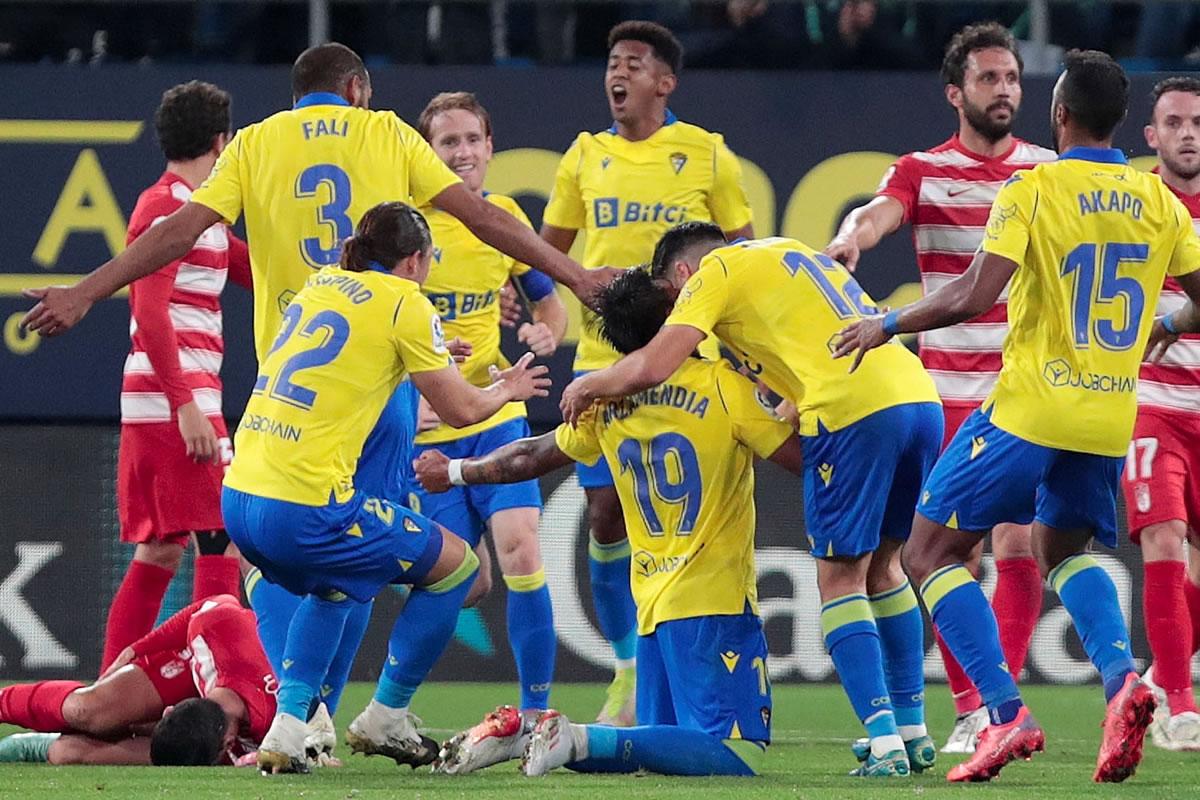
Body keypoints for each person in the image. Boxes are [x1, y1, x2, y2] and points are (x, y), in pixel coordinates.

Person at [834, 50, 1200, 783]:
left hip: (1030, 408)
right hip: (1108, 415)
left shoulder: (1031, 188)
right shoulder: (1158, 200)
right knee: (1061, 551)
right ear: (1123, 122)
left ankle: (1003, 715)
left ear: (1059, 114)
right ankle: (1124, 683)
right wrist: (1169, 323)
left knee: (927, 553)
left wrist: (888, 322)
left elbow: (975, 293)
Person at [560, 224, 942, 776]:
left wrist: (589, 384)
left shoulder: (712, 274)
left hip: (852, 410)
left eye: (671, 294)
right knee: (886, 568)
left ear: (683, 274)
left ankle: (884, 743)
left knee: (841, 579)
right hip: (917, 396)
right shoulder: (789, 252)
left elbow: (654, 365)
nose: (676, 310)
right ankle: (912, 731)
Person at [415, 267, 798, 777]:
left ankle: (526, 733)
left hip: (651, 604)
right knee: (737, 753)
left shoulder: (605, 401)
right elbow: (800, 458)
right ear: (674, 318)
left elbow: (530, 456)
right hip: (714, 599)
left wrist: (455, 471)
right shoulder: (722, 387)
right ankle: (573, 737)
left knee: (655, 751)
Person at [220, 200, 551, 774]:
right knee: (460, 569)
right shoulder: (406, 302)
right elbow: (461, 408)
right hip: (305, 507)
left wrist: (422, 359)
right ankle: (386, 715)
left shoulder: (322, 285)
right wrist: (509, 389)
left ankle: (291, 725)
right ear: (416, 260)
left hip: (239, 497)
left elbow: (347, 361)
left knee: (338, 582)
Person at [20, 41, 606, 345]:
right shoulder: (386, 132)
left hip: (291, 365)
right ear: (354, 89)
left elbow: (176, 233)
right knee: (382, 527)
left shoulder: (255, 142)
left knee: (301, 520)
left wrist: (85, 292)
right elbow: (482, 216)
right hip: (376, 352)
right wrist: (577, 276)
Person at [825, 22, 1055, 753]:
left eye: (1011, 78)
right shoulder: (922, 169)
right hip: (949, 391)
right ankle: (974, 709)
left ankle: (996, 706)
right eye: (989, 78)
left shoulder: (1047, 170)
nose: (1005, 90)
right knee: (956, 556)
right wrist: (852, 237)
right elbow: (877, 213)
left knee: (1020, 545)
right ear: (956, 93)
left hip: (1025, 388)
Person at [540, 20, 754, 725]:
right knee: (606, 513)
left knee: (687, 512)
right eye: (612, 61)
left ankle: (686, 661)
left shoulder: (708, 155)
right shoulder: (584, 156)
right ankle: (628, 671)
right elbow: (549, 253)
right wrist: (558, 296)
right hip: (604, 358)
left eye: (634, 62)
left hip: (686, 359)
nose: (618, 72)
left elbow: (747, 256)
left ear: (665, 82)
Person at [408, 91, 566, 774]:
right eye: (448, 142)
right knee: (464, 582)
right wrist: (407, 391)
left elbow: (551, 303)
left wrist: (544, 332)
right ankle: (388, 706)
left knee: (522, 546)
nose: (463, 152)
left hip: (498, 408)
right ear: (426, 154)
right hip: (431, 428)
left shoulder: (503, 220)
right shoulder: (404, 227)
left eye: (473, 139)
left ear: (491, 147)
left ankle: (536, 718)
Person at [104, 80, 251, 672]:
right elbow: (148, 309)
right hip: (176, 402)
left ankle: (111, 690)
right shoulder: (163, 207)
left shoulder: (199, 213)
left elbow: (255, 269)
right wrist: (185, 404)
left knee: (162, 549)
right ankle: (209, 683)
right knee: (220, 536)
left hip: (168, 399)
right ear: (221, 142)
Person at [1127, 76, 1200, 752]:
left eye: (1197, 123)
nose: (1188, 134)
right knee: (1164, 538)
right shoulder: (1134, 203)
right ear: (1151, 135)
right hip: (1153, 403)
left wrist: (1174, 319)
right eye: (1174, 122)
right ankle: (1180, 706)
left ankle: (1152, 682)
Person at [0, 594, 275, 767]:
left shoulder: (275, 721)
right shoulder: (220, 630)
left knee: (68, 753)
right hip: (191, 671)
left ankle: (32, 745)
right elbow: (215, 603)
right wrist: (134, 651)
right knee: (87, 709)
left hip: (240, 727)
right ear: (169, 709)